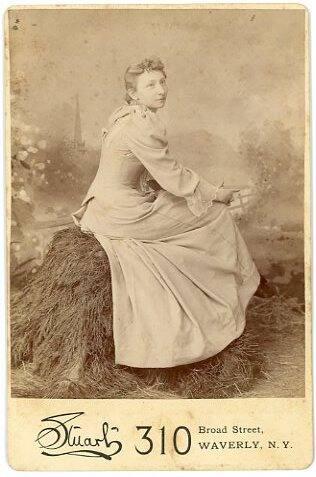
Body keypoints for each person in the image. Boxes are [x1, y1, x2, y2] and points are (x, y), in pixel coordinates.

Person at [72, 56, 261, 369]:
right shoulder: (139, 126)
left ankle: (217, 297)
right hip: (121, 211)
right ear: (133, 93)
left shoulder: (127, 115)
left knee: (188, 207)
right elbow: (174, 176)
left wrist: (154, 188)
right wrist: (218, 194)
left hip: (105, 204)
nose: (161, 89)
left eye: (162, 82)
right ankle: (224, 303)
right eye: (151, 85)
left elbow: (138, 168)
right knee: (215, 214)